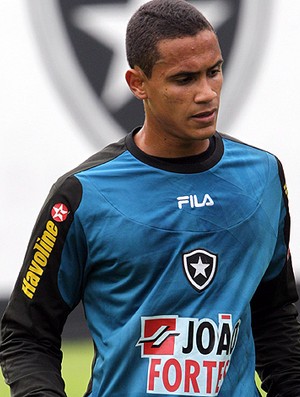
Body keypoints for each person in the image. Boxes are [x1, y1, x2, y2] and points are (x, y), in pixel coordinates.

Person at [1, 0, 300, 395]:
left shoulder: (262, 176)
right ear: (137, 83)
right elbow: (25, 336)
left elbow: (276, 316)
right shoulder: (83, 195)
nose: (207, 93)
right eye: (184, 79)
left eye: (214, 72)